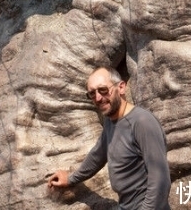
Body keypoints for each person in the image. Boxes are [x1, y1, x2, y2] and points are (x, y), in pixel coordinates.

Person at [47, 66, 171, 209]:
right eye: (92, 94)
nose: (98, 98)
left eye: (103, 90)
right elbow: (98, 154)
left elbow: (160, 181)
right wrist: (70, 179)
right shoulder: (111, 121)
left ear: (121, 87)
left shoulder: (142, 122)